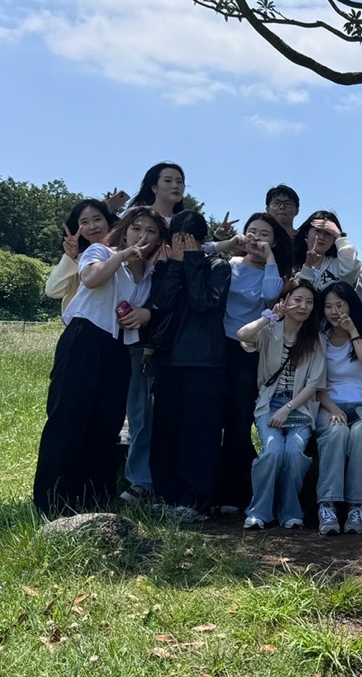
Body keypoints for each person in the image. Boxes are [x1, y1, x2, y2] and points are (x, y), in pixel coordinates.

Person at [33, 206, 166, 515]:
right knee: (69, 417)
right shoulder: (100, 251)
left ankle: (96, 500)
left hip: (119, 349)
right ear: (124, 230)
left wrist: (146, 314)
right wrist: (122, 256)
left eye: (151, 232)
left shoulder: (150, 274)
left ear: (159, 241)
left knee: (107, 424)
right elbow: (92, 279)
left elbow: (149, 310)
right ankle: (53, 501)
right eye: (136, 228)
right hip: (84, 338)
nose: (142, 236)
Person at [144, 210, 232, 520]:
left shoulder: (219, 267)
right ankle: (166, 494)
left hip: (206, 361)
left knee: (200, 431)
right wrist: (176, 265)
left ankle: (197, 500)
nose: (181, 245)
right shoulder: (165, 267)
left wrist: (193, 261)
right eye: (177, 239)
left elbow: (203, 302)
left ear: (200, 240)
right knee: (166, 429)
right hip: (168, 359)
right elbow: (160, 303)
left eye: (188, 240)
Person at [215, 212, 292, 513]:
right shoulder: (230, 265)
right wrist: (224, 242)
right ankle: (210, 489)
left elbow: (271, 296)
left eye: (264, 234)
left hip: (248, 351)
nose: (256, 237)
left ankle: (233, 493)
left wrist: (269, 256)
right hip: (217, 345)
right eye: (252, 231)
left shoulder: (274, 274)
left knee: (238, 420)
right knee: (213, 418)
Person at [120, 162, 187, 500]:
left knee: (165, 408)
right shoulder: (136, 218)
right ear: (153, 185)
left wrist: (225, 242)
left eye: (180, 181)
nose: (176, 186)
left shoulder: (184, 224)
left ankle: (159, 480)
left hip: (170, 327)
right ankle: (139, 480)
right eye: (168, 180)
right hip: (130, 326)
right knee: (138, 409)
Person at [237, 278, 325, 529]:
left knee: (294, 453)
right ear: (284, 301)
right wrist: (269, 317)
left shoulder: (316, 339)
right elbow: (242, 335)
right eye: (297, 300)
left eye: (309, 302)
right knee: (272, 451)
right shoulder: (270, 331)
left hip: (300, 407)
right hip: (269, 404)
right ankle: (259, 511)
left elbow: (314, 384)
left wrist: (288, 409)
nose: (303, 306)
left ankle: (290, 510)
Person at [314, 282, 362, 535]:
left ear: (350, 305)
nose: (334, 311)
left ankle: (356, 505)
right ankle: (327, 504)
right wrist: (332, 408)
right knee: (336, 433)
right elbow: (314, 383)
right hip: (328, 403)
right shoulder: (319, 339)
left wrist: (352, 331)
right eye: (328, 306)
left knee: (361, 435)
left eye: (339, 305)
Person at [45, 199, 115, 313]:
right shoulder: (79, 259)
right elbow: (53, 291)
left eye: (97, 219)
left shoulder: (125, 254)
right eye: (84, 222)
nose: (92, 226)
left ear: (107, 221)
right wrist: (69, 257)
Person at [293, 210, 362, 291]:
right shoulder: (291, 260)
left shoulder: (338, 265)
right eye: (318, 231)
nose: (322, 237)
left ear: (334, 240)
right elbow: (300, 292)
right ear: (306, 232)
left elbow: (351, 271)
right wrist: (308, 266)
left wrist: (339, 235)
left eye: (328, 233)